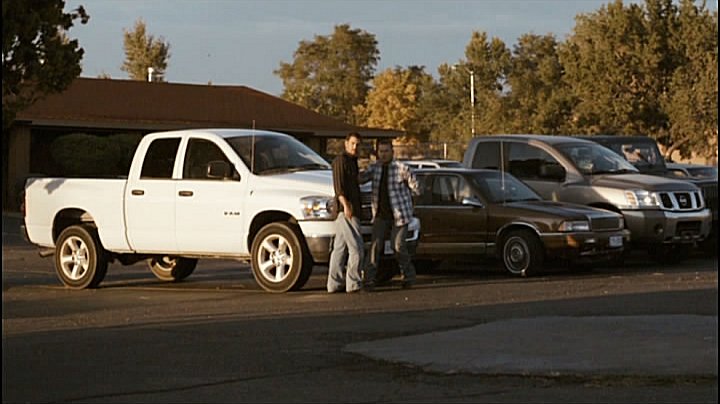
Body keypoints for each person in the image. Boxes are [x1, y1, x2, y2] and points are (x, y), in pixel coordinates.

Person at [361, 139, 420, 289]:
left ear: (392, 152)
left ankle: (408, 276)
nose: (384, 154)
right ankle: (369, 279)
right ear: (377, 153)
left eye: (386, 151)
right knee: (375, 247)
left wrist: (410, 201)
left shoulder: (401, 168)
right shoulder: (374, 168)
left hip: (400, 215)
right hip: (381, 215)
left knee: (398, 246)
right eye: (381, 151)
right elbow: (360, 179)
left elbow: (417, 188)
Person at [326, 133, 365, 293]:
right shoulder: (340, 161)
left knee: (339, 249)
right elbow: (339, 187)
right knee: (357, 248)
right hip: (346, 211)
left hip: (351, 208)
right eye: (353, 143)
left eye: (357, 144)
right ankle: (353, 284)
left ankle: (333, 284)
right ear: (346, 143)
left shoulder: (353, 162)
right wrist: (346, 206)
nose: (355, 147)